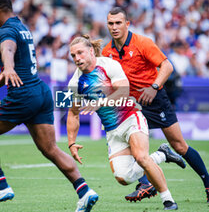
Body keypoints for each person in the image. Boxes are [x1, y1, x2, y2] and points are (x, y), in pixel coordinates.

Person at [0, 0, 98, 212]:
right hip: (40, 92)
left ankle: (0, 186)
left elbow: (7, 50)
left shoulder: (5, 31)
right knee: (50, 149)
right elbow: (18, 67)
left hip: (23, 95)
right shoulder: (22, 27)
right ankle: (85, 191)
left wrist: (7, 66)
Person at [102, 7, 209, 204]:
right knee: (130, 145)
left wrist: (154, 87)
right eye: (111, 23)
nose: (114, 27)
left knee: (179, 145)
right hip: (132, 105)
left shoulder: (143, 43)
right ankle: (145, 183)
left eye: (118, 23)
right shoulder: (108, 52)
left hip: (154, 99)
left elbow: (167, 66)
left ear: (127, 24)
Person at [67, 34, 181, 210]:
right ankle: (162, 154)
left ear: (91, 51)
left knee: (141, 157)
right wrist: (71, 142)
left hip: (131, 118)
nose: (77, 58)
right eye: (73, 55)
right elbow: (73, 113)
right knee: (123, 178)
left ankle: (168, 201)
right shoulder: (75, 83)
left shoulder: (108, 65)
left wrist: (100, 103)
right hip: (112, 130)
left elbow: (123, 91)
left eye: (80, 53)